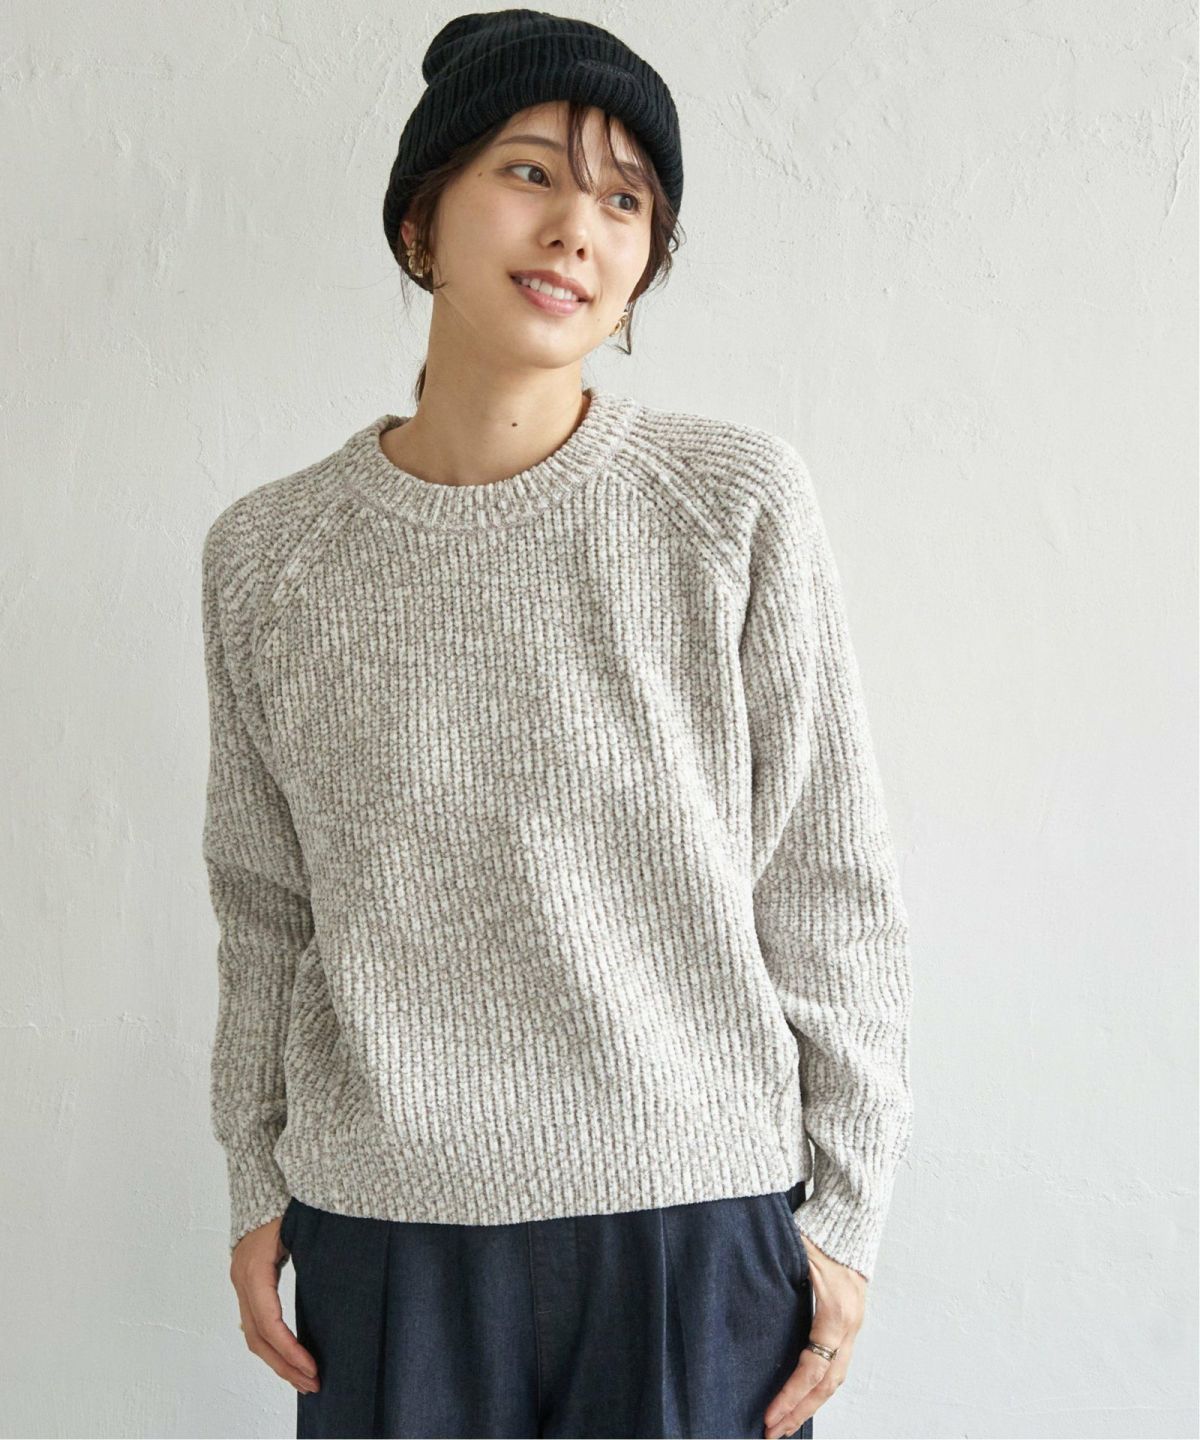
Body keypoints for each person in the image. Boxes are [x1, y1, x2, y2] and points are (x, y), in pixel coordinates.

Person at [199, 11, 913, 1439]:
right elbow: (265, 900)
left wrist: (844, 1212)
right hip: (386, 1229)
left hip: (694, 1230)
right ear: (421, 221)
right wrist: (254, 1180)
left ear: (644, 266)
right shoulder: (268, 554)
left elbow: (827, 879)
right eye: (530, 171)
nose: (578, 226)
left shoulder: (731, 505)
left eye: (627, 200)